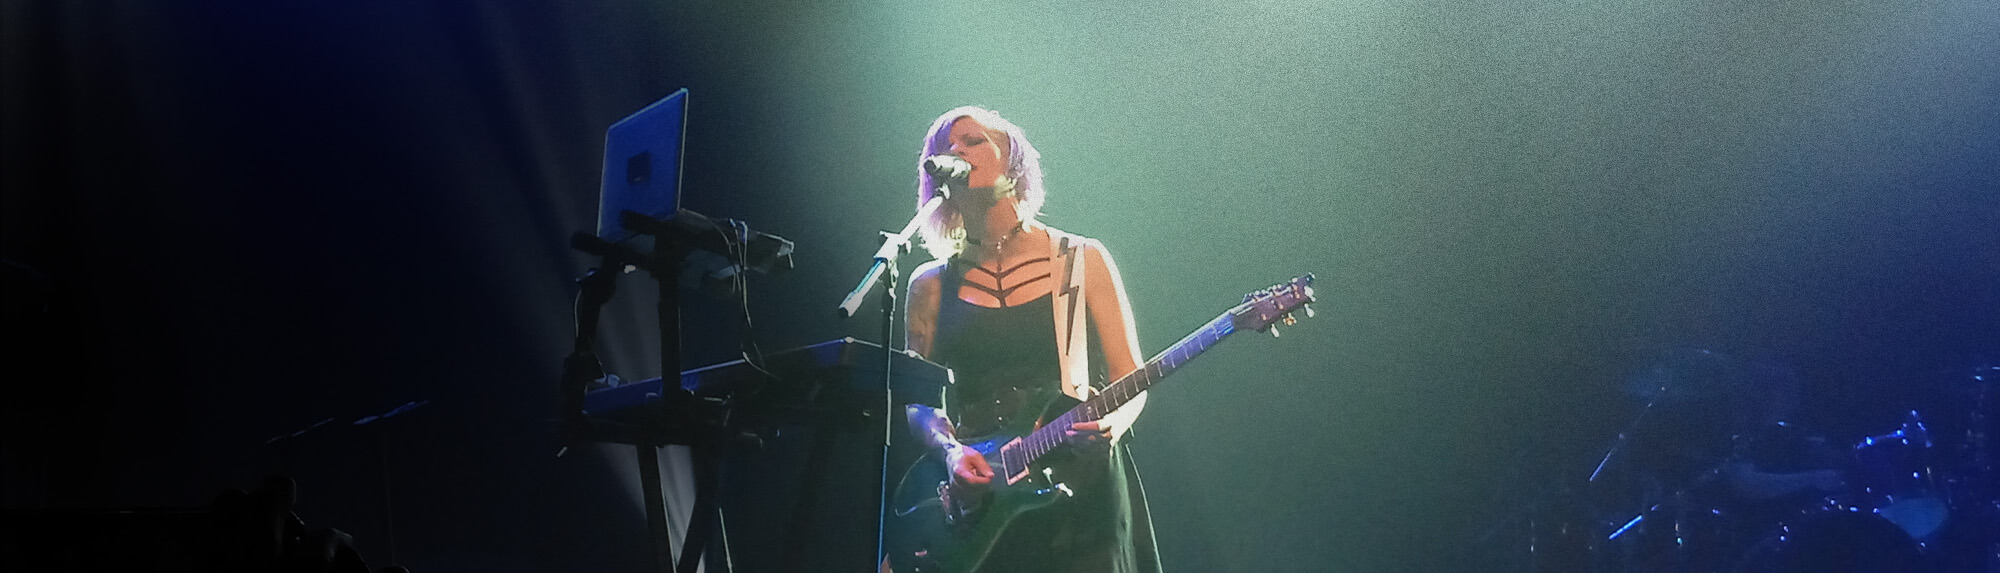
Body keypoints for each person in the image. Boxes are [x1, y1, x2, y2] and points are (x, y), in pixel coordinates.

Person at [897, 106, 1162, 572]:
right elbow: (917, 401)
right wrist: (951, 452)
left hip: (1080, 496)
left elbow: (1130, 377)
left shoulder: (1083, 260)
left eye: (972, 141)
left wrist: (1111, 428)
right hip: (983, 505)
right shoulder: (930, 284)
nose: (955, 151)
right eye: (945, 148)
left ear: (1015, 164)